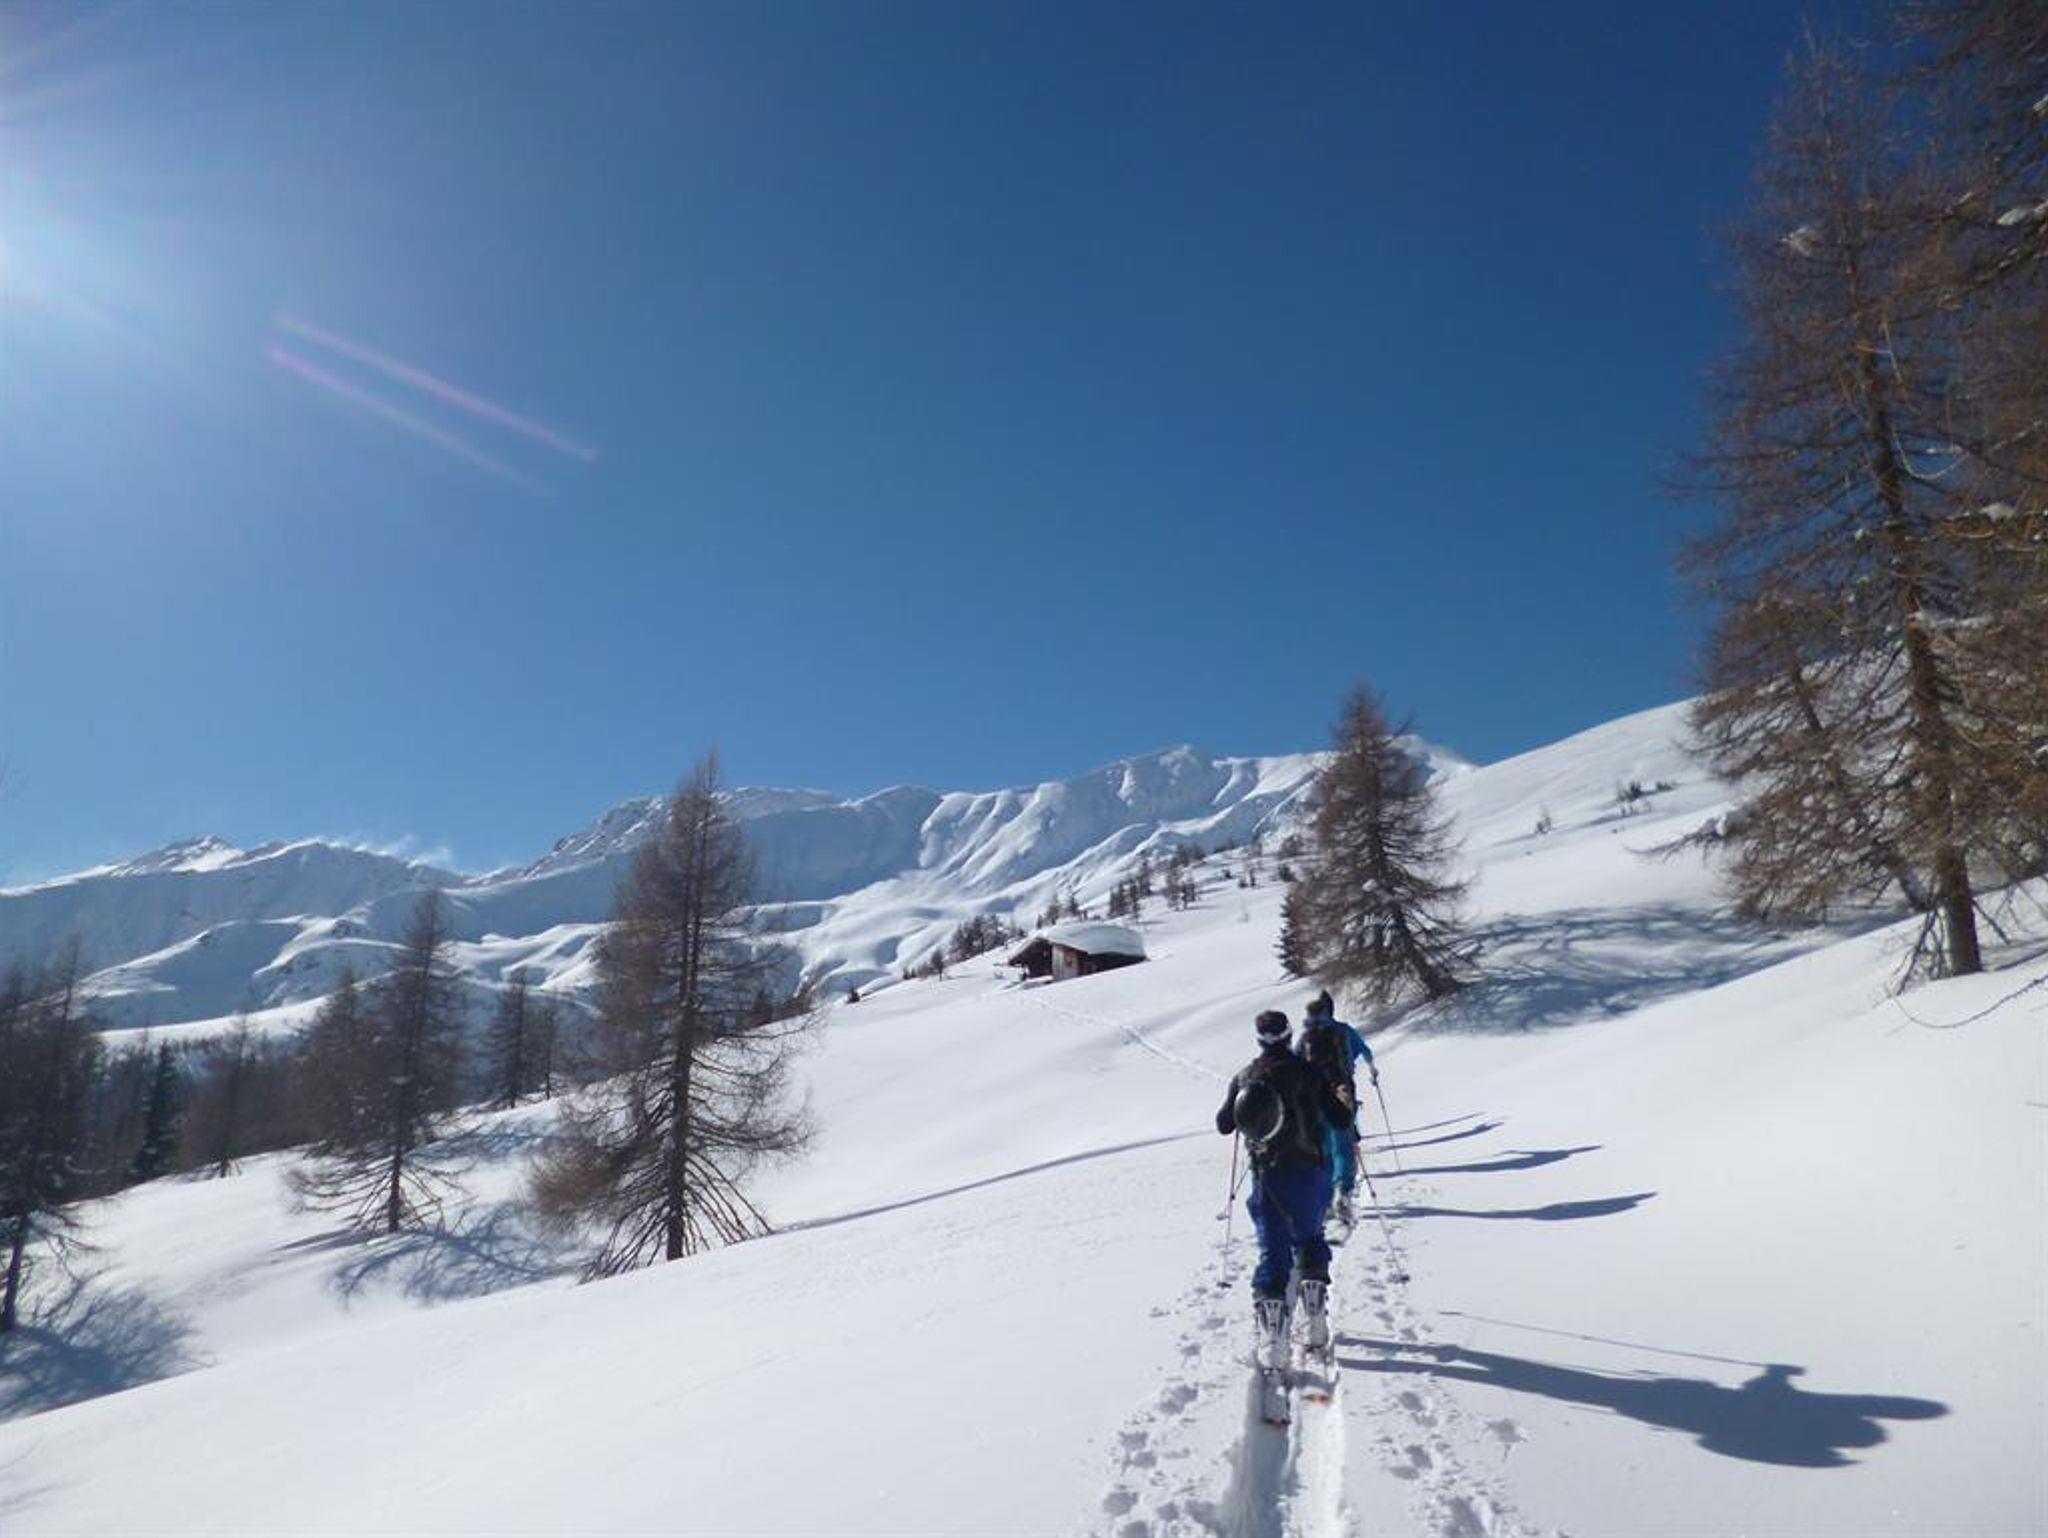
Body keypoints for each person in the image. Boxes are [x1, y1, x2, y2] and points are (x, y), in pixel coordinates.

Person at [1216, 1009, 1351, 1359]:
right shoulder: (1309, 1072)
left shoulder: (1245, 1076)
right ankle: (1315, 1316)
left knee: (1273, 1253)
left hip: (1268, 1178)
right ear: (1290, 1035)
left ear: (1259, 1040)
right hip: (1310, 1173)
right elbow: (1341, 1120)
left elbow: (1224, 1124)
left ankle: (1274, 1340)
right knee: (1310, 1239)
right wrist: (1340, 1098)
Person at [1296, 989, 1374, 1222]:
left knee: (1324, 1145)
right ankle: (1343, 1189)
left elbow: (1294, 1063)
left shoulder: (1305, 1038)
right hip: (1342, 1088)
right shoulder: (1342, 1031)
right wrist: (1372, 1068)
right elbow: (1364, 1050)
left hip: (1314, 1096)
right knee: (1343, 1140)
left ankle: (1327, 1195)